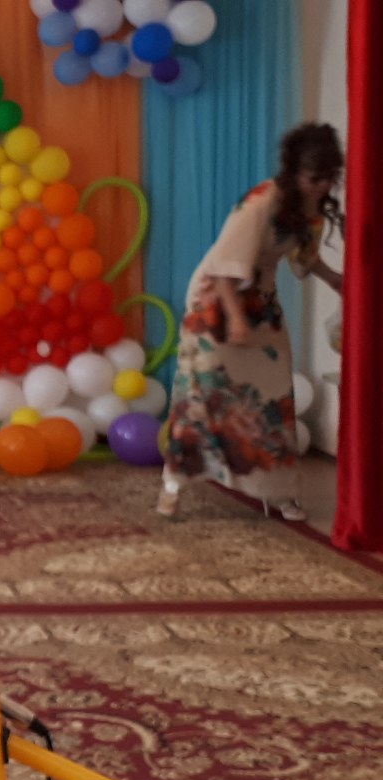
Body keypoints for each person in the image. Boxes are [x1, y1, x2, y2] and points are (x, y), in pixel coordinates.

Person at [158, 122, 346, 521]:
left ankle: (277, 490)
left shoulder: (310, 207)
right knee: (203, 390)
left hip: (260, 302)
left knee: (271, 396)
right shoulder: (262, 201)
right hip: (216, 301)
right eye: (314, 178)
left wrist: (335, 280)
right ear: (294, 171)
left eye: (330, 178)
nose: (323, 187)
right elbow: (224, 266)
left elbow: (304, 258)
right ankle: (174, 482)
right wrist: (236, 320)